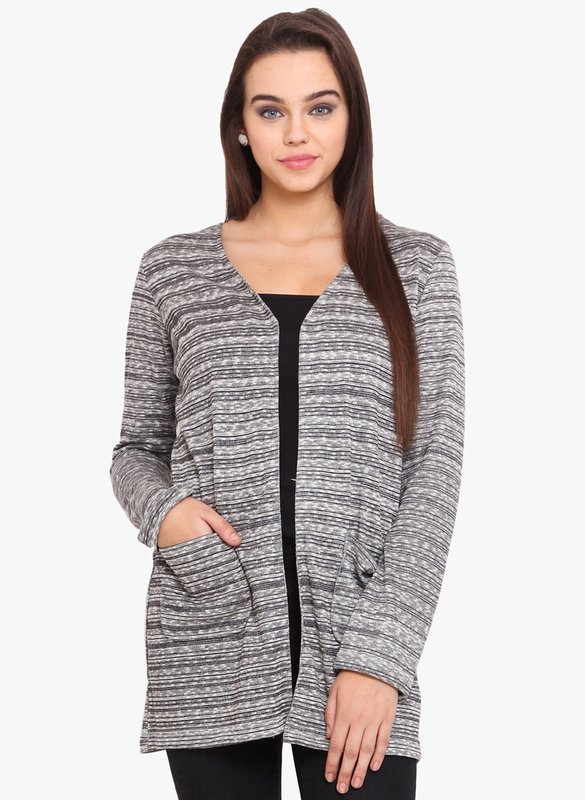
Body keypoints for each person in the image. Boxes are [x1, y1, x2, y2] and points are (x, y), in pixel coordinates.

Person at [110, 8, 465, 799]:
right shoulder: (173, 272)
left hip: (360, 636)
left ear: (352, 117)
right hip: (209, 632)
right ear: (240, 126)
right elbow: (135, 448)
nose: (296, 133)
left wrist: (379, 657)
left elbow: (433, 471)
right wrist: (166, 515)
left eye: (320, 107)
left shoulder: (416, 267)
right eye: (270, 110)